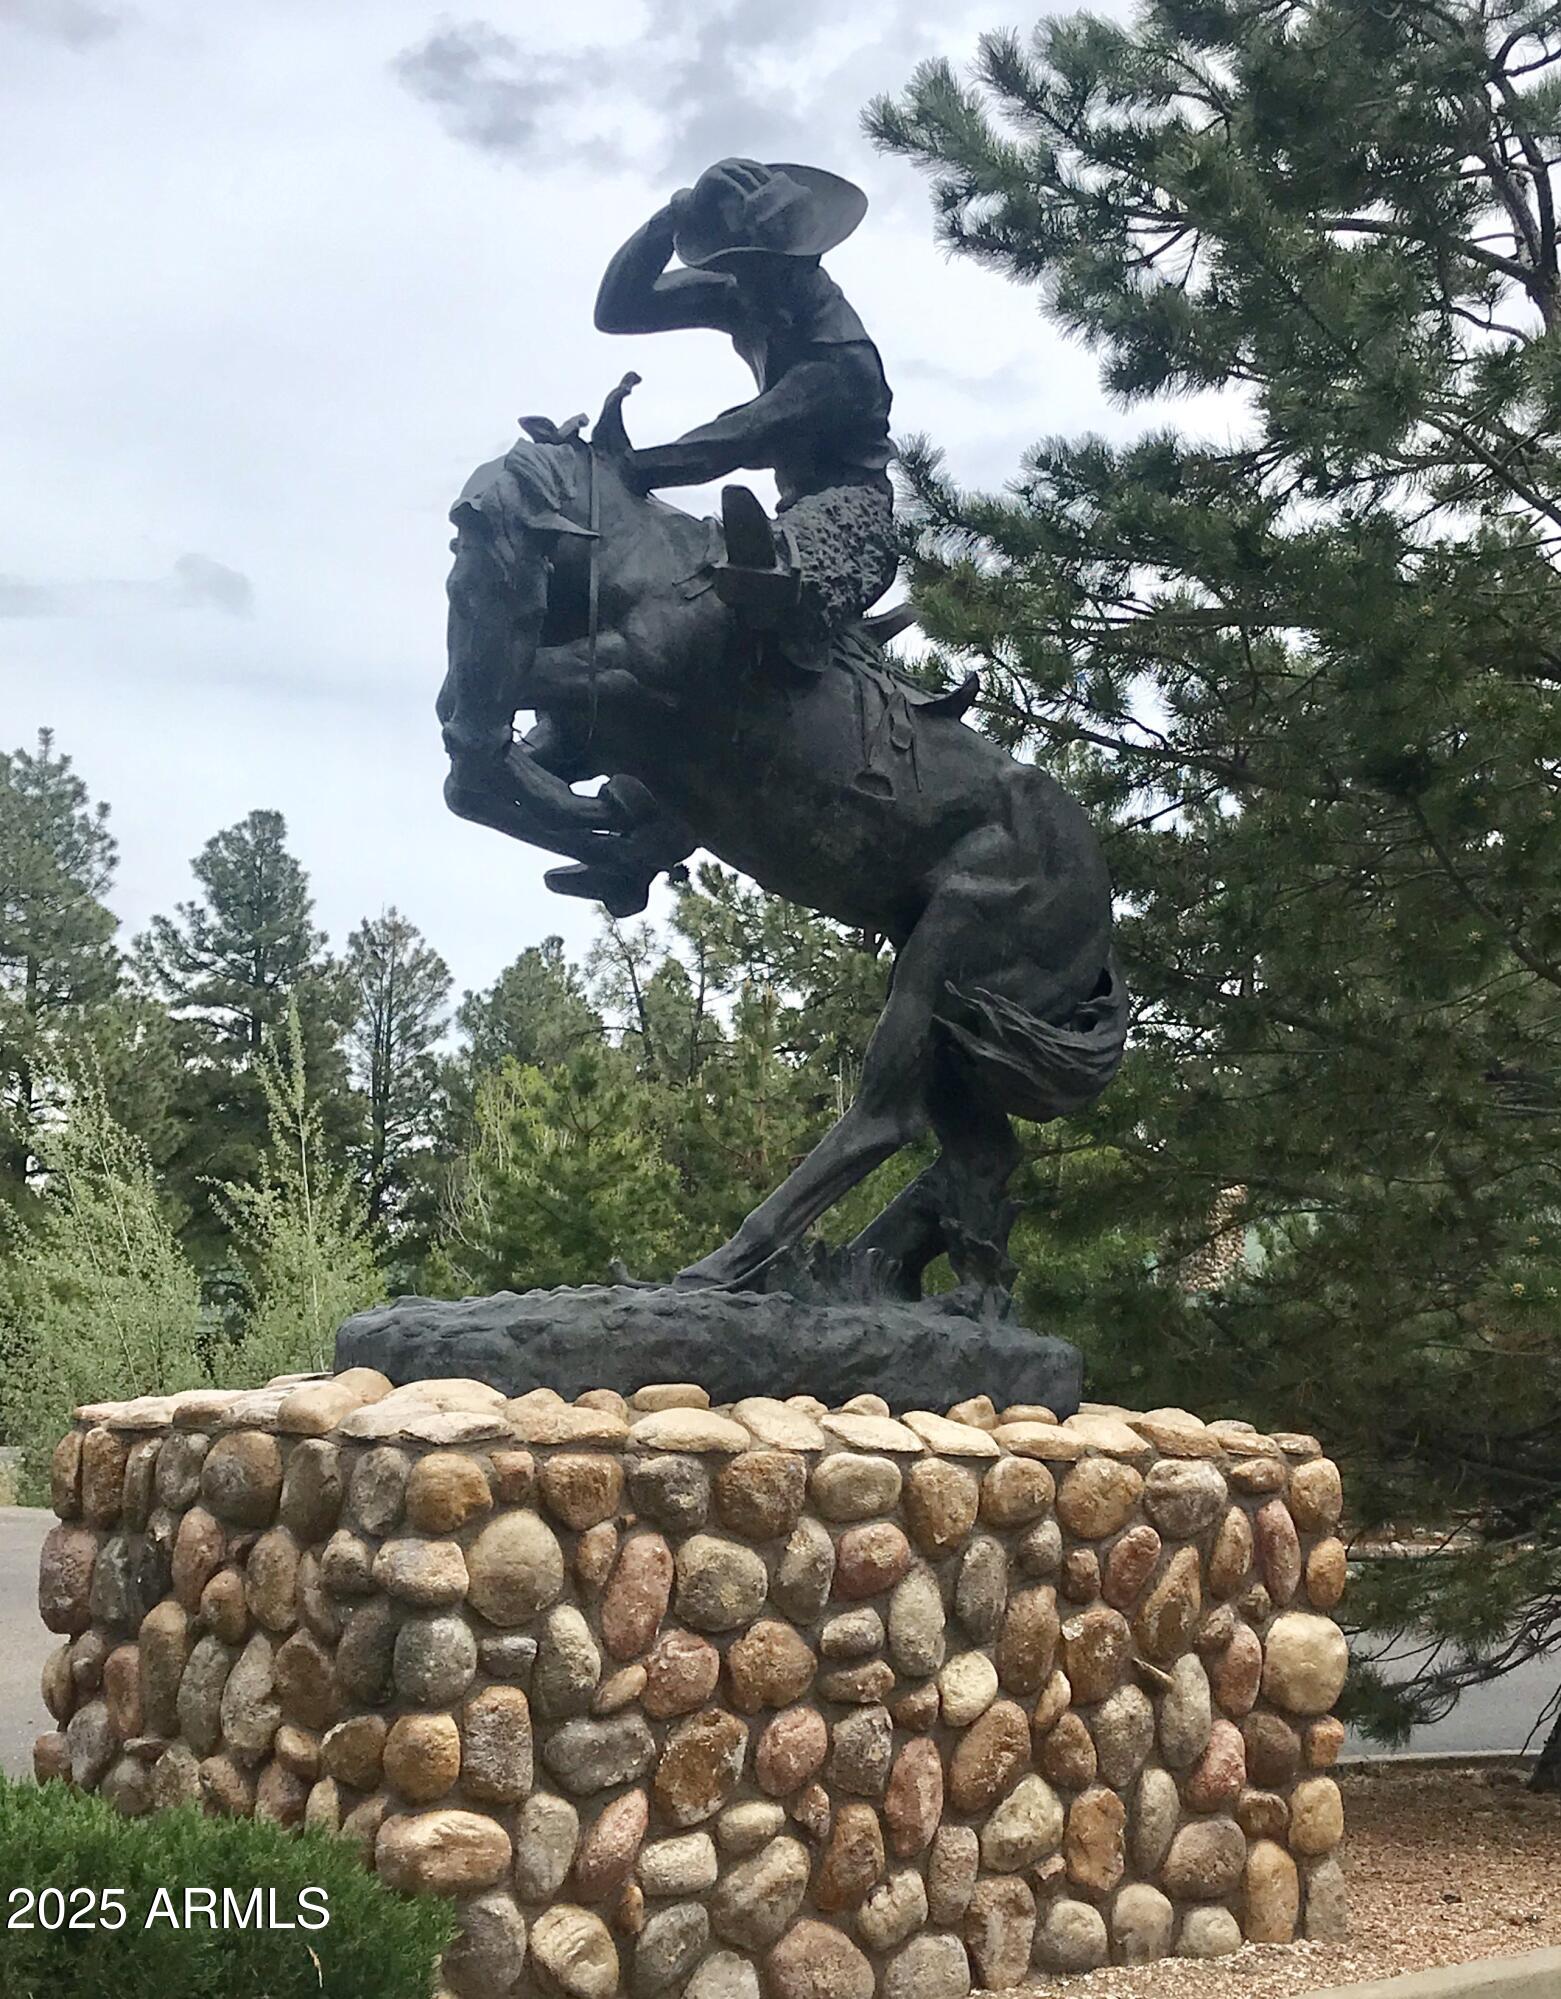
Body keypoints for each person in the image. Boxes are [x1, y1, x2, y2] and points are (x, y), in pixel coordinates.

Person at [594, 157, 898, 667]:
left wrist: (631, 467)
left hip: (853, 518)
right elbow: (619, 311)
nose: (738, 282)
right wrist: (672, 217)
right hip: (795, 507)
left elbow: (745, 433)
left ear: (796, 264)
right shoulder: (750, 296)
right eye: (733, 266)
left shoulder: (843, 363)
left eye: (751, 268)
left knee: (743, 609)